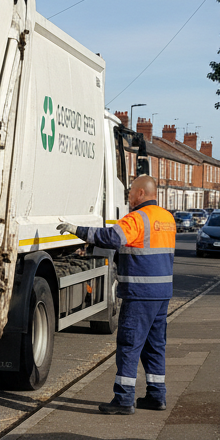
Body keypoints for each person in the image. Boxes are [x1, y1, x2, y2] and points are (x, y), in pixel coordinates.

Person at [57, 175, 175, 414]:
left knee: (129, 345)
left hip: (139, 293)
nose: (128, 197)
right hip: (162, 294)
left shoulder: (137, 218)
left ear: (141, 193)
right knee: (155, 346)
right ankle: (156, 396)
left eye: (130, 192)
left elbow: (111, 238)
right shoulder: (167, 218)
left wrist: (76, 230)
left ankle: (123, 399)